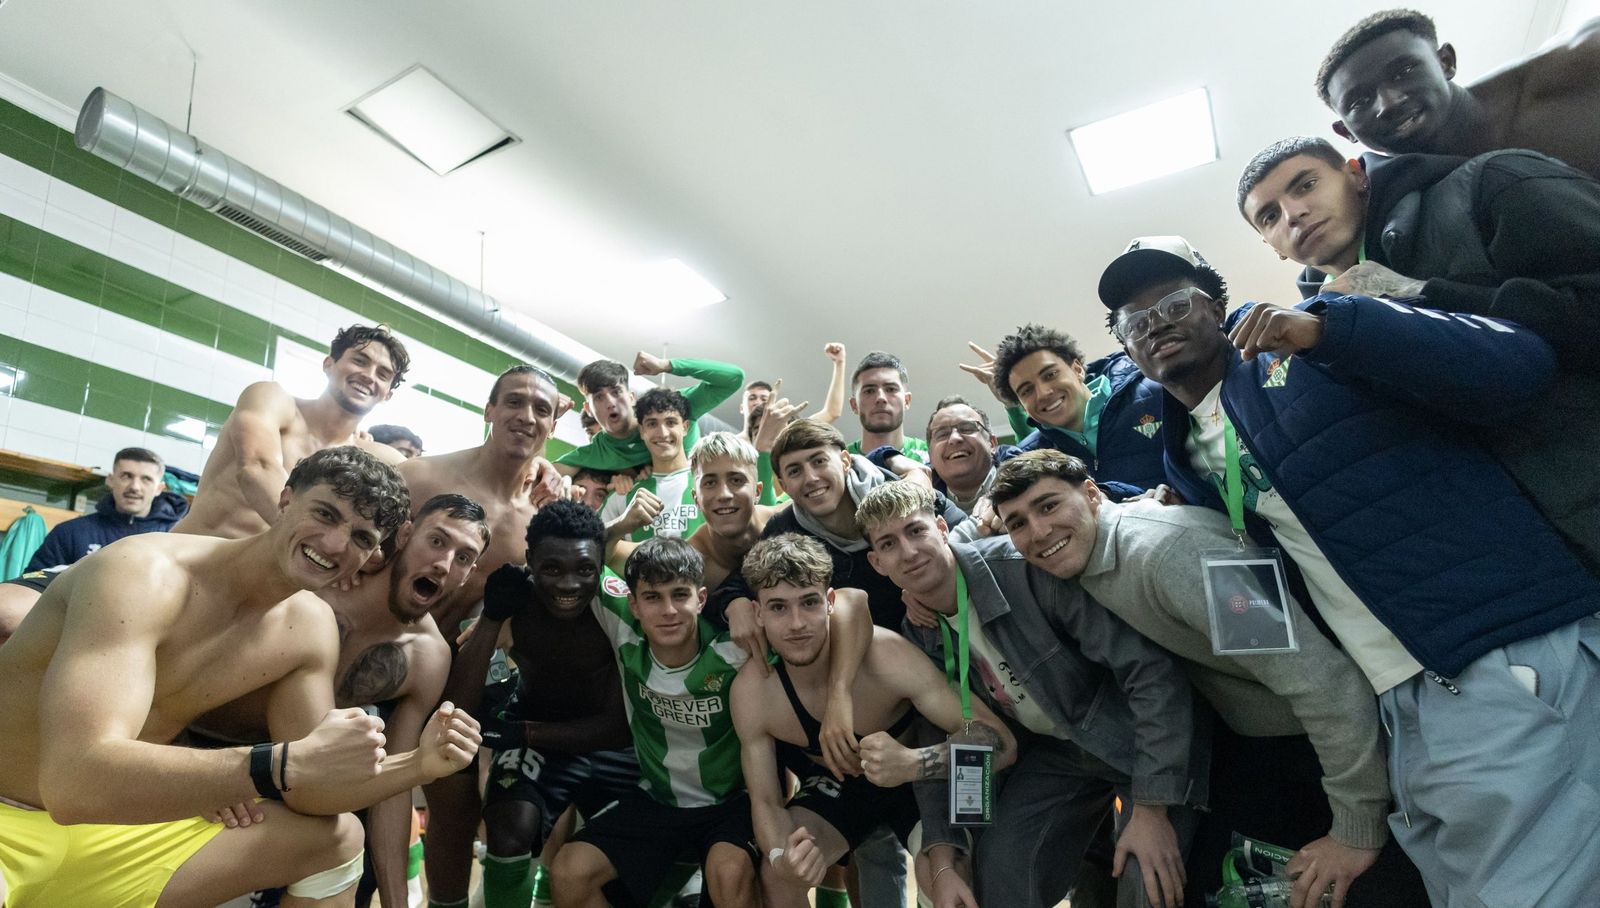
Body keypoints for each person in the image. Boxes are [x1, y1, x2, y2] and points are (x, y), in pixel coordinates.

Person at [1098, 238, 1600, 905]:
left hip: (1494, 651)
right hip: (1398, 700)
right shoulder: (1183, 456)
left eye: (1175, 302)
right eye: (1135, 323)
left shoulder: (1316, 348)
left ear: (1218, 308)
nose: (1155, 322)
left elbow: (1519, 365)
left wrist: (1336, 330)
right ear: (1127, 353)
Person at [0, 446, 482, 906]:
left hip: (116, 830)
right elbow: (72, 782)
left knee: (337, 839)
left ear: (372, 555)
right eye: (326, 514)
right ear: (286, 498)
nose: (336, 544)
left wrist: (417, 766)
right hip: (12, 820)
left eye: (361, 538)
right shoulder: (145, 574)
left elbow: (311, 784)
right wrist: (257, 770)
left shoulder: (307, 627)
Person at [990, 451, 1402, 906]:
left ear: (1091, 494)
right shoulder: (1085, 559)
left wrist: (1356, 830)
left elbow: (1325, 683)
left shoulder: (1174, 556)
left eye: (1049, 506)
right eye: (1017, 523)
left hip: (1329, 744)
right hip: (1254, 739)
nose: (1039, 532)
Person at [1236, 137, 1600, 572]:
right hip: (1529, 563)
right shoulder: (1314, 347)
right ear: (1272, 246)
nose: (1294, 214)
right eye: (1270, 216)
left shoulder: (1488, 184)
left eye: (1306, 185)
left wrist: (1415, 293)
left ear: (1356, 175)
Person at [858, 480, 1202, 908]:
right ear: (876, 562)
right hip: (1057, 757)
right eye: (889, 544)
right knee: (997, 877)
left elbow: (1151, 674)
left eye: (916, 531)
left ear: (943, 529)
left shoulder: (1022, 571)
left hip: (1136, 741)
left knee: (1144, 883)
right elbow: (942, 740)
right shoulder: (919, 632)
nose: (908, 552)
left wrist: (1152, 807)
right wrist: (947, 858)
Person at [187, 492, 488, 908]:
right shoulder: (318, 581)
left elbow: (392, 786)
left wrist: (396, 902)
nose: (444, 562)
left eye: (464, 557)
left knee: (346, 841)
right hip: (197, 752)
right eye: (437, 541)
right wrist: (202, 775)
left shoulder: (428, 657)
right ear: (402, 536)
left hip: (301, 792)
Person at [731, 532, 1016, 908]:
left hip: (919, 781)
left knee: (954, 886)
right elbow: (766, 802)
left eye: (809, 602)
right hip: (844, 787)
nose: (797, 623)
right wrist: (784, 858)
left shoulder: (886, 657)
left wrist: (914, 763)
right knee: (778, 872)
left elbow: (1002, 743)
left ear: (830, 602)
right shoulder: (754, 690)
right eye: (779, 607)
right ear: (757, 613)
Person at [399, 364, 565, 906]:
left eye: (541, 409)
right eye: (514, 402)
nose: (526, 416)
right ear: (489, 410)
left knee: (457, 805)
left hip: (455, 678)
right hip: (380, 660)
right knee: (358, 797)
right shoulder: (422, 478)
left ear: (553, 424)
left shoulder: (538, 513)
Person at [548, 537, 760, 908]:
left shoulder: (738, 650)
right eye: (652, 597)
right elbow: (577, 554)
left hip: (731, 805)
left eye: (680, 594)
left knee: (729, 874)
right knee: (569, 871)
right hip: (657, 799)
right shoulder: (623, 628)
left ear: (702, 599)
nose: (668, 610)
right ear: (633, 603)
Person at [449, 500, 639, 908]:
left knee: (645, 846)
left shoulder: (621, 607)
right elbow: (460, 704)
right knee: (508, 829)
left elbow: (620, 725)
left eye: (585, 569)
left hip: (614, 745)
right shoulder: (514, 601)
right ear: (530, 560)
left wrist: (521, 732)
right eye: (552, 569)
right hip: (538, 740)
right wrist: (493, 616)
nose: (569, 585)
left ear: (601, 562)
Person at [175, 324, 410, 539]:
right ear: (329, 365)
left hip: (257, 582)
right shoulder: (271, 399)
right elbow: (257, 468)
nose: (369, 376)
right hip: (189, 560)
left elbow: (430, 481)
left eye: (383, 374)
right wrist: (321, 542)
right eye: (360, 361)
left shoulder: (370, 458)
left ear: (387, 395)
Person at [1316, 8, 1600, 179]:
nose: (1389, 103)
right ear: (1346, 132)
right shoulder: (1390, 211)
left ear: (1446, 62)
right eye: (1359, 101)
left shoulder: (1577, 65)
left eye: (1403, 72)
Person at [974, 319, 1166, 496]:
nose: (1043, 393)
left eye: (1050, 375)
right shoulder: (1032, 457)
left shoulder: (1157, 394)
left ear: (1077, 369)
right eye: (1026, 390)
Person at [555, 352, 744, 474]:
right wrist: (548, 421)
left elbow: (733, 378)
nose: (611, 403)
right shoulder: (598, 452)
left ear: (631, 398)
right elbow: (541, 473)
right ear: (588, 409)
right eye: (599, 397)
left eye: (616, 392)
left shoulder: (669, 408)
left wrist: (667, 365)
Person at [22, 447, 186, 573]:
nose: (135, 487)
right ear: (111, 480)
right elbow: (32, 587)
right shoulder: (69, 533)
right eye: (126, 476)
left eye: (146, 479)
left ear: (159, 488)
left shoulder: (177, 538)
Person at [602, 388, 702, 543]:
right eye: (652, 423)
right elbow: (593, 545)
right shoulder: (623, 495)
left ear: (685, 427)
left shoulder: (709, 483)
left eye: (671, 422)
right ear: (642, 431)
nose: (662, 433)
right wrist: (622, 525)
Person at [922, 397, 1019, 514]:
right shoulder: (919, 506)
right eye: (942, 434)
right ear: (930, 454)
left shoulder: (1029, 486)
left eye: (967, 428)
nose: (954, 438)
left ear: (992, 443)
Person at [845, 351, 929, 466]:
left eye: (890, 389)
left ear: (907, 400)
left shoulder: (931, 456)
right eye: (869, 391)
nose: (880, 398)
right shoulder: (841, 461)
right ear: (854, 405)